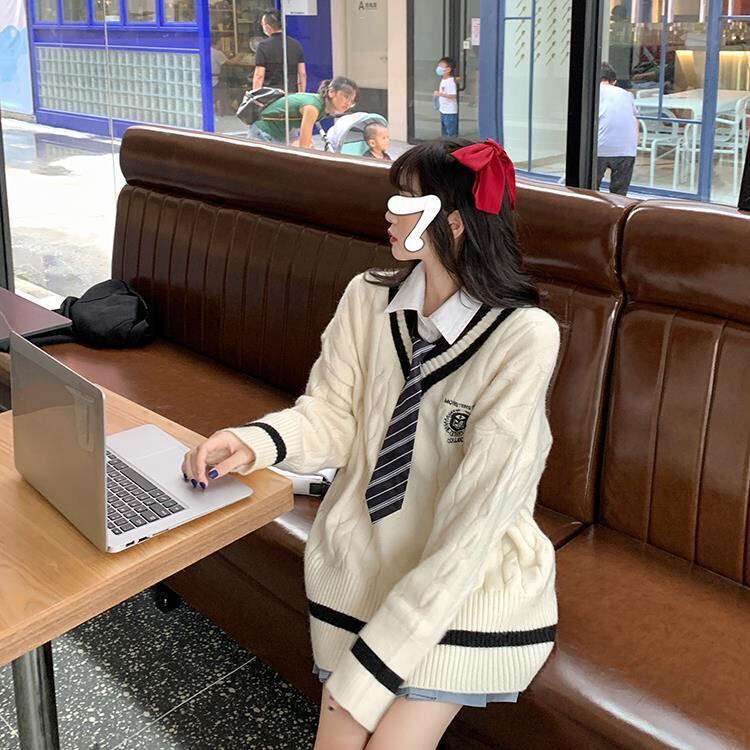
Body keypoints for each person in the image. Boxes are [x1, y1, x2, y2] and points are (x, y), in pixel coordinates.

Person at [182, 137, 560, 750]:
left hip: (466, 577)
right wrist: (254, 443)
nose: (389, 211)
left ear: (453, 222)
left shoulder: (525, 335)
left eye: (406, 198)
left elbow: (478, 512)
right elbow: (333, 416)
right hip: (362, 554)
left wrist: (374, 667)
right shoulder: (367, 296)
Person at [248, 77, 358, 148]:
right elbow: (304, 146)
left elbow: (305, 140)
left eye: (352, 101)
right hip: (264, 132)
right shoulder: (312, 107)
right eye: (345, 97)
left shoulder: (322, 107)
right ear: (331, 92)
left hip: (280, 133)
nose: (348, 103)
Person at [597, 61, 639, 196]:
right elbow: (634, 120)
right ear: (614, 81)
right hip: (627, 149)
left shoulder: (593, 92)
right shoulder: (627, 95)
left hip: (600, 147)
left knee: (590, 190)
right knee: (619, 194)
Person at [252, 8, 306, 92]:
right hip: (291, 94)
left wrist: (255, 95)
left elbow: (259, 75)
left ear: (268, 27)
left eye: (262, 24)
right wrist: (301, 94)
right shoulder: (296, 45)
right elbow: (302, 74)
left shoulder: (263, 46)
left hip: (271, 94)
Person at [433, 56, 458, 137]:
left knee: (450, 131)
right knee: (444, 130)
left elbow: (453, 95)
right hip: (443, 110)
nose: (439, 68)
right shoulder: (443, 80)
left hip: (449, 111)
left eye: (441, 66)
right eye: (438, 66)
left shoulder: (450, 81)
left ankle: (451, 143)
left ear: (448, 69)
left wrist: (440, 94)